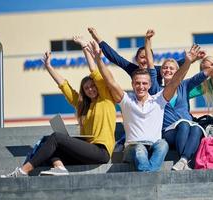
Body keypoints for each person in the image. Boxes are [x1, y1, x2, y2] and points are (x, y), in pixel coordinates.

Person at [1, 36, 116, 178]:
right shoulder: (83, 105)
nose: (90, 89)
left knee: (56, 138)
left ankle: (22, 171)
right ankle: (60, 168)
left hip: (100, 151)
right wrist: (49, 67)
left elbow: (95, 72)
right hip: (86, 150)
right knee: (47, 145)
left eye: (93, 86)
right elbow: (64, 86)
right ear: (84, 92)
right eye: (86, 88)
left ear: (98, 87)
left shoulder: (106, 99)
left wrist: (84, 48)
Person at [85, 38, 200, 172]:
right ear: (132, 84)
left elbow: (175, 82)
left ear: (150, 85)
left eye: (144, 83)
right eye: (137, 83)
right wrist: (99, 60)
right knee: (140, 149)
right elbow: (110, 82)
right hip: (133, 148)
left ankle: (146, 175)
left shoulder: (158, 99)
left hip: (154, 145)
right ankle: (149, 175)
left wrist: (187, 62)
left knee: (163, 144)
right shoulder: (126, 100)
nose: (141, 86)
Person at [145, 29, 213, 170]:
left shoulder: (184, 85)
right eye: (165, 68)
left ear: (178, 71)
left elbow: (205, 74)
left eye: (172, 68)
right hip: (168, 132)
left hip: (189, 129)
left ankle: (184, 160)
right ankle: (186, 160)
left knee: (196, 128)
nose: (168, 70)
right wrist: (147, 40)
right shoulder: (155, 89)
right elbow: (150, 62)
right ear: (161, 72)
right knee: (184, 124)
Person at [87, 27, 186, 86]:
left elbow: (179, 64)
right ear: (136, 59)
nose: (145, 60)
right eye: (142, 57)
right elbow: (115, 57)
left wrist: (192, 58)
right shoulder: (133, 69)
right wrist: (98, 39)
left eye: (147, 57)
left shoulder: (159, 70)